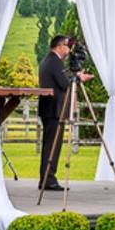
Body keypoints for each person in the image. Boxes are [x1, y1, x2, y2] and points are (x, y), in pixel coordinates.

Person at [38, 35, 92, 191]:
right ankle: (49, 179)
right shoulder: (54, 62)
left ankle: (46, 178)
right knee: (53, 145)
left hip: (50, 107)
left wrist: (74, 76)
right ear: (60, 46)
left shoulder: (48, 60)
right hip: (54, 109)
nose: (69, 51)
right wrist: (79, 78)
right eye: (67, 47)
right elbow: (64, 83)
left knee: (49, 144)